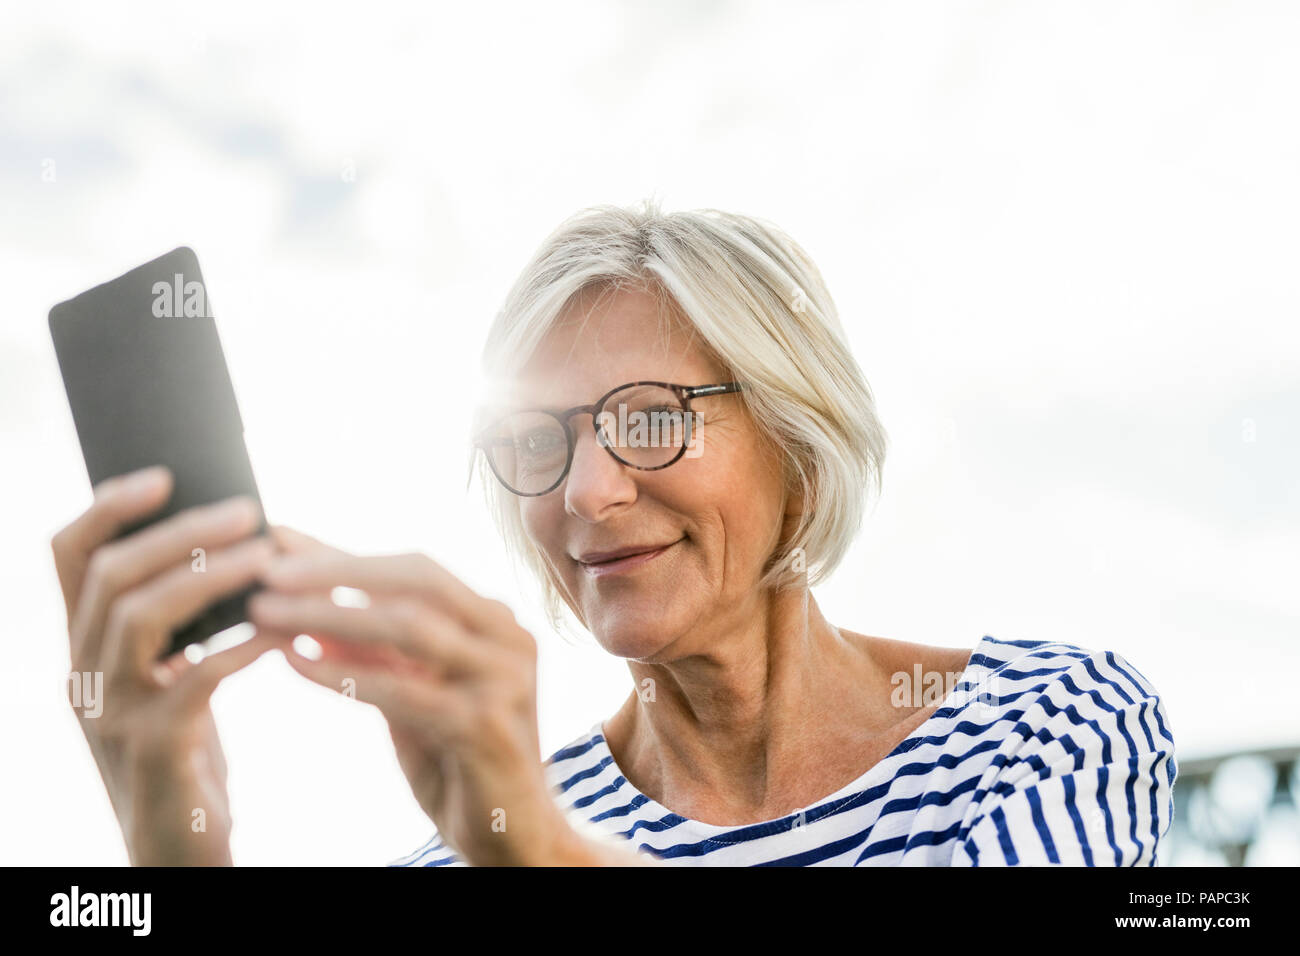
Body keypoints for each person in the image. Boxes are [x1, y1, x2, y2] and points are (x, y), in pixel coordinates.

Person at [53, 201, 1176, 866]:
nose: (587, 491)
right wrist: (174, 849)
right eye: (538, 436)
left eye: (651, 417)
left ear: (797, 434)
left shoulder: (1046, 726)